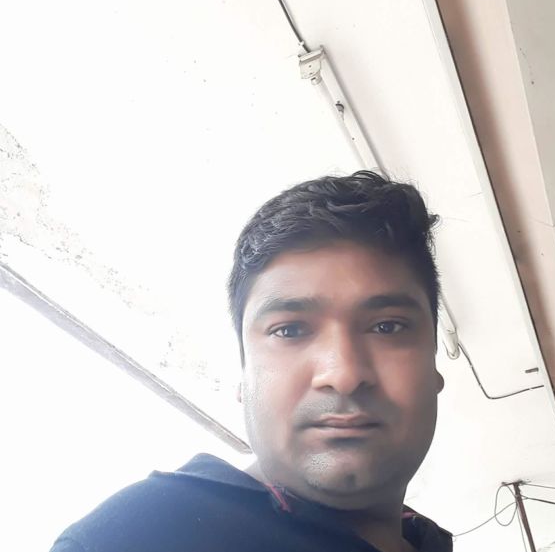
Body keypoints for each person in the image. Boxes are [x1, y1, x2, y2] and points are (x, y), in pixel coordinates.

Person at [50, 170, 452, 552]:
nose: (342, 374)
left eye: (387, 327)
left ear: (433, 368)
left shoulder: (425, 540)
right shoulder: (137, 537)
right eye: (289, 330)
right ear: (244, 377)